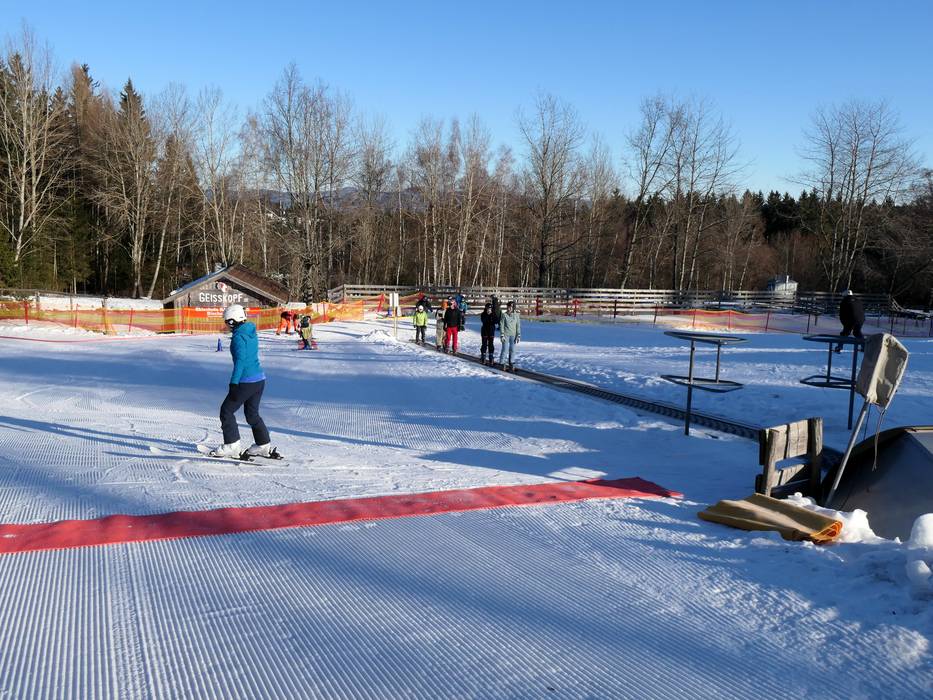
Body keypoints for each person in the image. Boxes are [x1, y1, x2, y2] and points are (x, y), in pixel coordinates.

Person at [211, 304, 277, 458]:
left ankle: (232, 446)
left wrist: (234, 383)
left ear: (233, 321)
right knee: (252, 414)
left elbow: (240, 361)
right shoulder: (250, 331)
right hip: (259, 379)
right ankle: (263, 444)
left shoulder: (238, 337)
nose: (226, 325)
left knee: (226, 411)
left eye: (227, 322)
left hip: (246, 381)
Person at [497, 301, 521, 370]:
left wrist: (518, 335)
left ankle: (511, 362)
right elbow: (501, 325)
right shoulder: (504, 315)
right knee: (505, 349)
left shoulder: (516, 315)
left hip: (513, 335)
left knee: (513, 349)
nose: (509, 308)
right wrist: (502, 335)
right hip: (506, 335)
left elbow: (518, 325)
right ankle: (502, 363)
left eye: (511, 307)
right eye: (508, 307)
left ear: (513, 308)